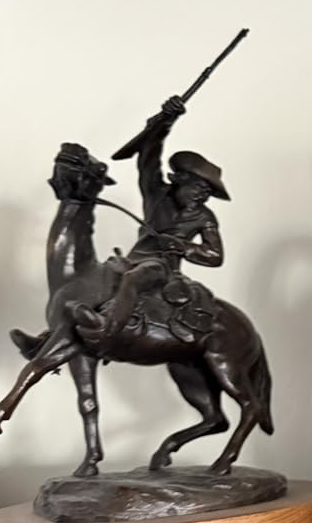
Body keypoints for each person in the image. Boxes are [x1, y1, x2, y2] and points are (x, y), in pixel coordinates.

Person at [69, 96, 229, 351]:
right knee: (92, 280)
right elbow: (149, 156)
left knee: (134, 278)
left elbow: (214, 255)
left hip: (162, 268)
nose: (203, 195)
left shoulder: (204, 217)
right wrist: (165, 122)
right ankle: (55, 335)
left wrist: (182, 246)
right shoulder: (156, 194)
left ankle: (107, 329)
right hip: (133, 258)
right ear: (179, 180)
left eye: (207, 192)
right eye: (198, 187)